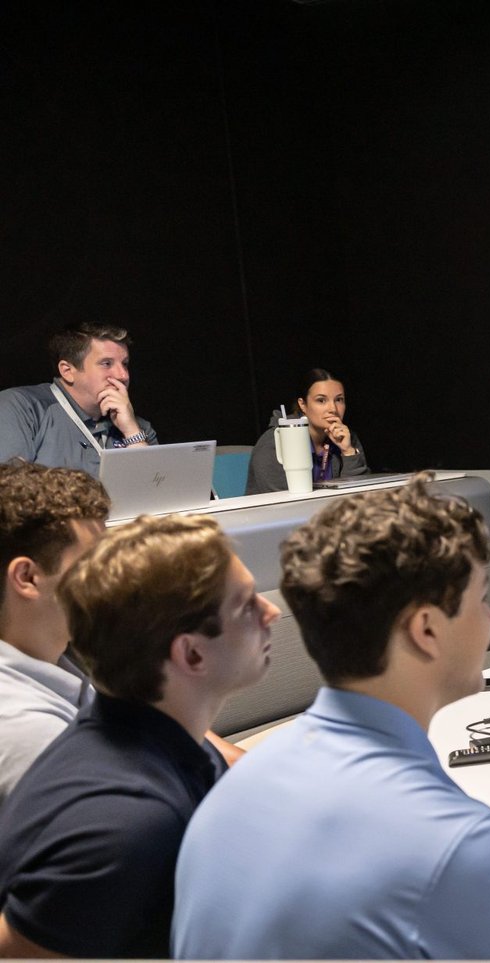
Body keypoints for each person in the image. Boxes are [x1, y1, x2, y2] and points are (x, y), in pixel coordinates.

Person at [172, 475, 490, 960]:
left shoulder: (226, 794)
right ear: (426, 629)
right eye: (481, 599)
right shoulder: (466, 844)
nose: (489, 620)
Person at [0, 513, 277, 958]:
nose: (273, 611)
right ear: (190, 653)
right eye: (247, 604)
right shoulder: (125, 823)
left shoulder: (157, 738)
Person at [0, 463, 109, 807]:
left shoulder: (61, 654)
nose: (113, 581)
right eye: (94, 566)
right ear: (28, 578)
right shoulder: (27, 730)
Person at [0, 323, 156, 473]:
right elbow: (11, 490)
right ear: (67, 371)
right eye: (107, 363)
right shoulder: (19, 407)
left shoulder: (139, 427)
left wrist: (132, 433)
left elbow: (153, 494)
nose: (123, 375)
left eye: (125, 364)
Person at [245, 368, 369, 494]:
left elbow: (360, 496)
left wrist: (348, 452)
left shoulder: (346, 436)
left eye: (339, 400)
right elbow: (283, 503)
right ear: (303, 404)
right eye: (321, 400)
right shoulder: (274, 441)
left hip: (331, 511)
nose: (333, 409)